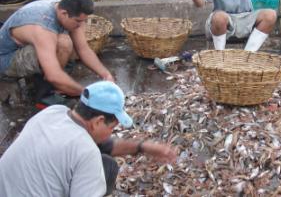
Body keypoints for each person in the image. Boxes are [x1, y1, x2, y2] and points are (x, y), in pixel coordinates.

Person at [0, 81, 176, 196]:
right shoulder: (85, 151)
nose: (111, 132)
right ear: (99, 121)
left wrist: (144, 147)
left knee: (106, 162)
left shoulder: (52, 113)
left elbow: (105, 145)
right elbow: (91, 148)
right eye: (112, 127)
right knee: (107, 168)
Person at [0, 0, 114, 97]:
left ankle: (54, 81)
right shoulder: (43, 27)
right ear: (64, 13)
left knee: (68, 43)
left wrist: (106, 75)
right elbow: (53, 75)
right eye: (78, 21)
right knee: (63, 44)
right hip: (5, 60)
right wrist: (86, 94)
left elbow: (83, 49)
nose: (81, 25)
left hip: (27, 47)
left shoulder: (65, 8)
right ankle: (45, 93)